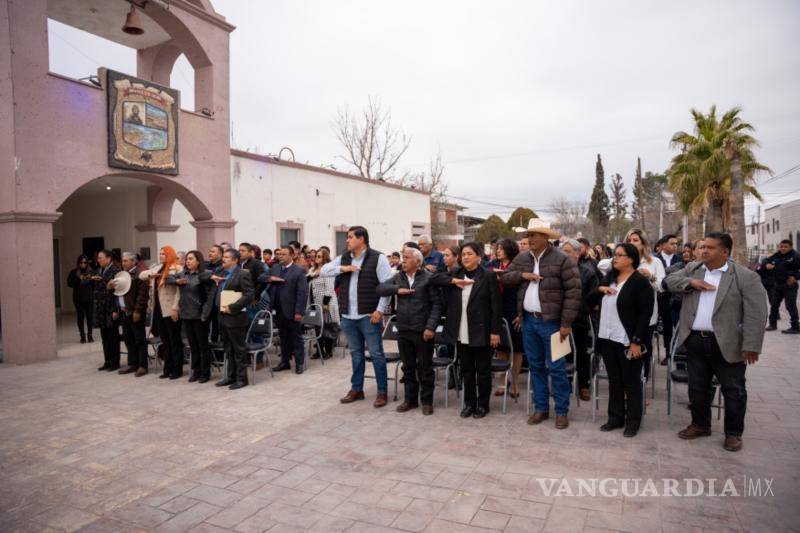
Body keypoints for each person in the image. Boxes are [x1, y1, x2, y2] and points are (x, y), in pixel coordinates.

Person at [664, 232, 768, 452]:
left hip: (728, 342)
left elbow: (756, 314)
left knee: (734, 390)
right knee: (697, 387)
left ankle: (733, 433)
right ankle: (700, 424)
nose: (703, 251)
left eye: (709, 248)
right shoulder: (693, 269)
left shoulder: (744, 276)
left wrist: (751, 345)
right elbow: (669, 281)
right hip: (695, 340)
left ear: (724, 252)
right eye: (702, 247)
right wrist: (691, 283)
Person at [502, 219, 580, 429]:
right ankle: (541, 408)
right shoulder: (522, 257)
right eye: (528, 235)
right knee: (536, 367)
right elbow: (506, 278)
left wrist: (566, 323)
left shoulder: (562, 259)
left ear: (545, 237)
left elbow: (574, 293)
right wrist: (522, 275)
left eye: (534, 235)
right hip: (529, 322)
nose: (529, 239)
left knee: (557, 369)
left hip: (553, 324)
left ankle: (561, 411)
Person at [321, 226, 394, 408]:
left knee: (377, 354)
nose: (347, 241)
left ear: (361, 239)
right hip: (348, 315)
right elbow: (324, 271)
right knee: (356, 354)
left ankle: (382, 392)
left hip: (369, 315)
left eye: (351, 237)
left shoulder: (378, 258)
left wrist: (380, 310)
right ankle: (357, 389)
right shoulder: (344, 258)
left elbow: (386, 287)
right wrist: (344, 268)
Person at [588, 243, 654, 437]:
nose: (614, 258)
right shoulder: (609, 279)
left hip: (627, 340)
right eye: (614, 255)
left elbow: (645, 314)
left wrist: (636, 341)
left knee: (631, 383)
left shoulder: (640, 282)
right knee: (614, 381)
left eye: (619, 255)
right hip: (608, 339)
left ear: (631, 259)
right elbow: (588, 302)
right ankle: (615, 418)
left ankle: (633, 422)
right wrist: (600, 290)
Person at [432, 242, 502, 418]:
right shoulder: (456, 273)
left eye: (469, 254)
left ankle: (483, 405)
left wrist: (495, 332)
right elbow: (432, 279)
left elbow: (496, 306)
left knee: (483, 371)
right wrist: (453, 280)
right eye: (463, 254)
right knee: (466, 369)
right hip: (461, 329)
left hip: (481, 330)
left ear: (479, 256)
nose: (465, 257)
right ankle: (469, 403)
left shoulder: (487, 275)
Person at [377, 247, 443, 415]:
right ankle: (410, 400)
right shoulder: (398, 277)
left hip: (422, 331)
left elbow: (437, 305)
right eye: (403, 258)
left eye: (406, 258)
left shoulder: (428, 278)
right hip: (404, 329)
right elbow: (380, 289)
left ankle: (427, 401)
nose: (403, 261)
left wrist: (430, 327)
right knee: (408, 367)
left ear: (417, 261)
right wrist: (397, 290)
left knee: (425, 368)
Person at [624, 228, 664, 379]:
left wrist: (650, 276)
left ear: (643, 243)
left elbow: (661, 286)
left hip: (647, 316)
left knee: (643, 351)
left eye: (635, 240)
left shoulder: (654, 262)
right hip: (625, 315)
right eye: (629, 240)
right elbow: (602, 266)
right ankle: (627, 387)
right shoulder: (623, 261)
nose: (632, 243)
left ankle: (641, 386)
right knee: (626, 351)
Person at [561, 239, 598, 401]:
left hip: (579, 320)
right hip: (559, 320)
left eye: (568, 251)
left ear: (577, 254)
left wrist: (579, 309)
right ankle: (565, 384)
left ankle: (584, 385)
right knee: (561, 353)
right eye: (563, 251)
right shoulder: (558, 271)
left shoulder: (588, 272)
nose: (565, 254)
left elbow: (593, 299)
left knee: (581, 354)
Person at [212, 249, 255, 389]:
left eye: (226, 257)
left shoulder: (242, 274)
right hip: (223, 316)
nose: (223, 259)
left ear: (235, 260)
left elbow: (249, 295)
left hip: (235, 317)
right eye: (223, 256)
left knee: (238, 349)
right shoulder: (222, 273)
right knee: (228, 349)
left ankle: (242, 379)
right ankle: (230, 377)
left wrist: (233, 307)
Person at [139, 246, 183, 380]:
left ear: (170, 254)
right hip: (158, 308)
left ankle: (177, 369)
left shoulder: (177, 268)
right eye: (160, 253)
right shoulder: (158, 268)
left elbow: (178, 292)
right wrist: (152, 275)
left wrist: (176, 308)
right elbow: (141, 275)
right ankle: (167, 368)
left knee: (174, 340)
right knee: (165, 340)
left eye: (164, 254)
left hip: (170, 308)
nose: (161, 255)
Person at [172, 251, 215, 383]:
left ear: (198, 261)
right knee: (193, 346)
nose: (187, 261)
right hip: (186, 314)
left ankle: (205, 373)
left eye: (191, 259)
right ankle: (196, 372)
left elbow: (210, 297)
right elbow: (168, 279)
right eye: (186, 259)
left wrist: (205, 314)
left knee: (203, 346)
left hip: (199, 315)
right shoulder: (182, 274)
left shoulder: (203, 275)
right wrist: (176, 281)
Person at [490, 238, 524, 400]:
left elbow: (522, 291)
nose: (498, 251)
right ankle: (502, 383)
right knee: (501, 348)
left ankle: (515, 382)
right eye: (497, 248)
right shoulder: (494, 267)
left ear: (510, 250)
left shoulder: (517, 266)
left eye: (501, 248)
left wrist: (520, 313)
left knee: (516, 349)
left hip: (514, 310)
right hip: (498, 310)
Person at [268, 245, 309, 374]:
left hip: (292, 310)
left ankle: (299, 363)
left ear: (291, 255)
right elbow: (261, 278)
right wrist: (270, 278)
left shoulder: (298, 271)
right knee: (283, 337)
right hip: (278, 310)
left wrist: (299, 312)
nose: (280, 256)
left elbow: (302, 293)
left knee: (296, 337)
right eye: (279, 254)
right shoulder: (275, 268)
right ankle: (285, 362)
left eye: (284, 254)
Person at [117, 252, 150, 377]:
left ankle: (142, 366)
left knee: (139, 339)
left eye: (126, 261)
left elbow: (142, 296)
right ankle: (132, 364)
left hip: (135, 312)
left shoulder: (139, 275)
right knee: (128, 339)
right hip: (124, 311)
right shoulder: (122, 274)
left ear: (133, 262)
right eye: (123, 261)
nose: (123, 263)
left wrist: (137, 311)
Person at [308, 248, 340, 360]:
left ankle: (329, 351)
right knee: (318, 328)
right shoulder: (312, 269)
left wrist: (325, 303)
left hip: (326, 302)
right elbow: (306, 280)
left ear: (325, 258)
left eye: (319, 256)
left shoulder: (328, 269)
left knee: (327, 327)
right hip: (315, 303)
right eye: (316, 255)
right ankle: (319, 351)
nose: (317, 258)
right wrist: (313, 275)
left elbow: (330, 288)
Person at [92, 249, 121, 371]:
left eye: (101, 258)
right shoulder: (99, 270)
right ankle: (107, 361)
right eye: (98, 258)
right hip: (101, 308)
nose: (98, 260)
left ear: (109, 258)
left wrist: (115, 309)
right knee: (104, 337)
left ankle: (115, 362)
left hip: (111, 307)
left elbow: (118, 291)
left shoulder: (116, 270)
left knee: (113, 336)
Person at [764, 239, 800, 334]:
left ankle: (795, 327)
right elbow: (767, 260)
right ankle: (772, 324)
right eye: (781, 246)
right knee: (774, 305)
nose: (783, 248)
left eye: (785, 247)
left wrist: (796, 277)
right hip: (777, 284)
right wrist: (767, 264)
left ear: (791, 247)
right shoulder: (777, 254)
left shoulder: (796, 256)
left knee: (790, 306)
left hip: (789, 285)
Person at [656, 234, 681, 353]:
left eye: (676, 244)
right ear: (663, 245)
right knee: (666, 327)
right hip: (659, 298)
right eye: (672, 243)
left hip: (676, 299)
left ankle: (677, 351)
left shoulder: (679, 259)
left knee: (676, 326)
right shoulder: (655, 259)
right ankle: (668, 353)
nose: (675, 246)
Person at [67, 254, 95, 343]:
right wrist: (79, 279)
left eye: (85, 262)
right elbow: (69, 284)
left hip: (89, 298)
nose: (83, 264)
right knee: (80, 317)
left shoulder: (91, 271)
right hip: (78, 298)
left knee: (90, 317)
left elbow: (95, 285)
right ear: (78, 263)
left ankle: (90, 335)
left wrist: (91, 279)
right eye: (81, 262)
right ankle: (82, 336)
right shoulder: (74, 272)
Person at [206, 244, 224, 341]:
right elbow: (201, 275)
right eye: (210, 251)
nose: (210, 253)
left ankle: (219, 355)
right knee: (205, 328)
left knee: (217, 328)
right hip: (206, 300)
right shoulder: (206, 265)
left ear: (220, 254)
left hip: (218, 300)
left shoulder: (223, 266)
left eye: (213, 252)